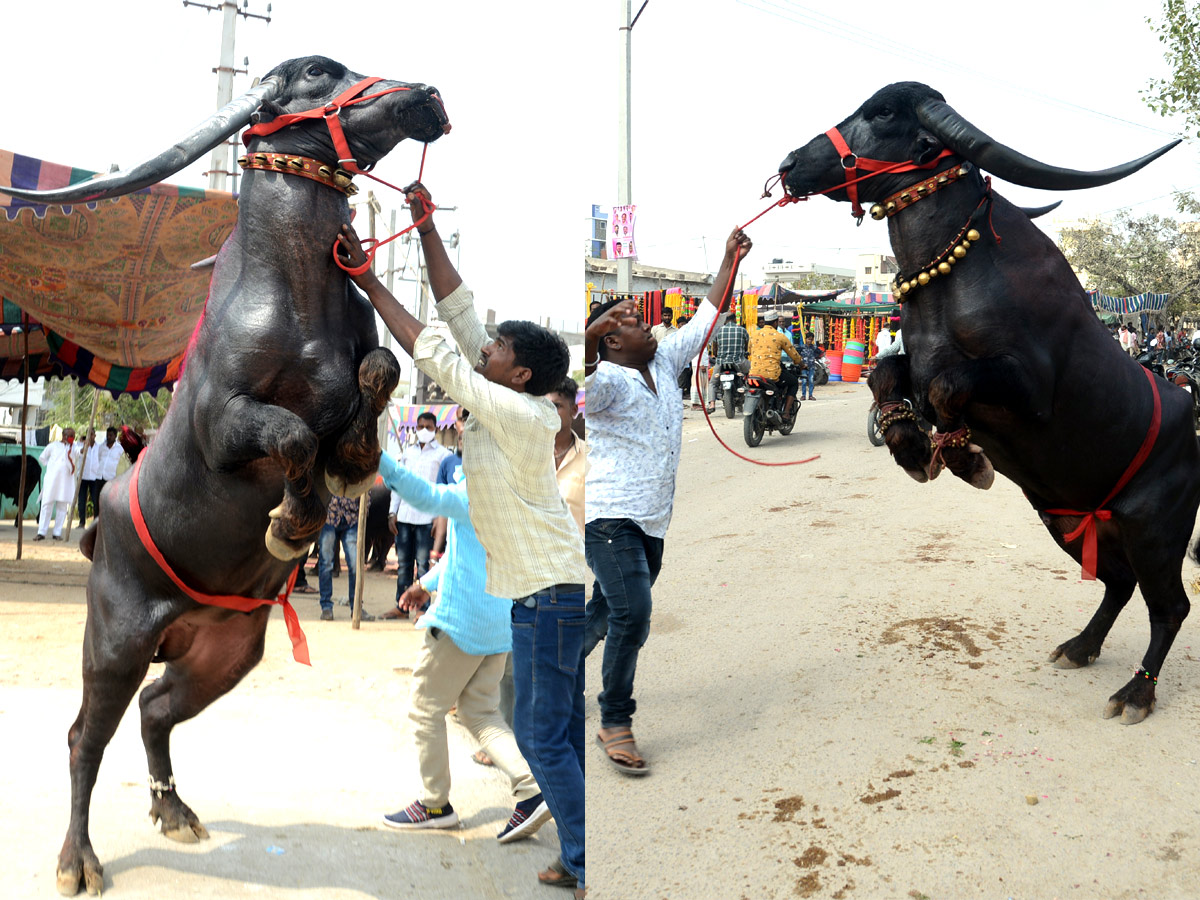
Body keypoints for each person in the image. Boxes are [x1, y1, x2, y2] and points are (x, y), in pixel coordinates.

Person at [335, 182, 588, 898]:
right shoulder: (513, 392)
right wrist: (425, 227)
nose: (489, 346)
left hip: (545, 595)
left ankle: (578, 857)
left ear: (520, 371)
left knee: (541, 736)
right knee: (548, 729)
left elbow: (433, 349)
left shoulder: (514, 412)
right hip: (545, 592)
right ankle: (575, 847)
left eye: (499, 347)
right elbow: (458, 310)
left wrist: (366, 279)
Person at [582, 227, 751, 778]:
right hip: (611, 521)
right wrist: (588, 338)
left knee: (610, 610)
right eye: (631, 323)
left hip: (654, 522)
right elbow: (582, 388)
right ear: (609, 340)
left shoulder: (661, 361)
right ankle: (615, 720)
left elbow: (705, 315)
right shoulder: (605, 380)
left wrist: (727, 259)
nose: (648, 324)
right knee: (634, 615)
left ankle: (554, 668)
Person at [378, 452, 551, 845]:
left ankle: (434, 804)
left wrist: (380, 461)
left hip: (462, 623)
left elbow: (423, 496)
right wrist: (427, 583)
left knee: (425, 709)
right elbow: (467, 554)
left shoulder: (475, 488)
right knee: (481, 711)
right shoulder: (520, 492)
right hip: (497, 622)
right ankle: (532, 788)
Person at [385, 412, 451, 620]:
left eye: (428, 427)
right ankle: (401, 606)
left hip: (427, 518)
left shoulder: (444, 456)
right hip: (404, 515)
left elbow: (445, 488)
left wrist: (439, 518)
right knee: (403, 564)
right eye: (420, 426)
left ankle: (424, 608)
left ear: (436, 429)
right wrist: (392, 512)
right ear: (415, 428)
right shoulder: (408, 454)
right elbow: (398, 484)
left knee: (423, 564)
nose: (424, 430)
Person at [317, 494, 374, 621]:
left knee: (355, 564)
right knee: (326, 563)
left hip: (352, 518)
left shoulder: (358, 472)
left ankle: (356, 608)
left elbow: (366, 491)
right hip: (328, 516)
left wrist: (363, 512)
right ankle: (326, 607)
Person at [749, 308, 803, 418]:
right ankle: (786, 413)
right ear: (775, 322)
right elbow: (794, 354)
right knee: (793, 382)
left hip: (754, 374)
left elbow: (749, 351)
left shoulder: (754, 335)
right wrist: (801, 364)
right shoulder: (779, 336)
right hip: (772, 375)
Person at [36, 427, 78, 541]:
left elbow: (79, 451)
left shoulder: (74, 447)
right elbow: (42, 458)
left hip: (65, 483)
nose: (72, 438)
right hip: (52, 481)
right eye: (71, 436)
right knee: (46, 505)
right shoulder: (53, 446)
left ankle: (57, 532)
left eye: (74, 436)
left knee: (62, 507)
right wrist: (52, 466)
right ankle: (41, 532)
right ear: (64, 436)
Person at [77, 429, 103, 529]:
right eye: (88, 434)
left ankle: (96, 523)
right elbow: (77, 451)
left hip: (94, 477)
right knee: (81, 500)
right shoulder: (80, 445)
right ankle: (81, 522)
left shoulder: (99, 447)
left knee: (95, 500)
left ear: (95, 436)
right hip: (82, 477)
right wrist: (83, 443)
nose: (90, 436)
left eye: (91, 434)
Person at [798, 331, 825, 400]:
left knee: (811, 381)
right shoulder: (802, 347)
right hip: (804, 367)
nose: (809, 341)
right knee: (804, 381)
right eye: (808, 339)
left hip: (812, 366)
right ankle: (803, 395)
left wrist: (815, 357)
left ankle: (810, 395)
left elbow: (821, 353)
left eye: (811, 339)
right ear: (806, 339)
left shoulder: (814, 347)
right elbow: (796, 354)